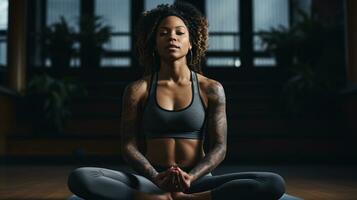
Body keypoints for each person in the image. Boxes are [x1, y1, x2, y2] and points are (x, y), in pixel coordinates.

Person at [67, 2, 286, 200]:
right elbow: (129, 146)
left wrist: (190, 177)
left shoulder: (211, 88)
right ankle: (153, 199)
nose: (172, 37)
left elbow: (219, 148)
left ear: (191, 43)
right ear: (154, 43)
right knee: (81, 177)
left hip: (198, 180)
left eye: (179, 33)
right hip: (151, 180)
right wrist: (155, 176)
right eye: (163, 33)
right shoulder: (137, 90)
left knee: (272, 183)